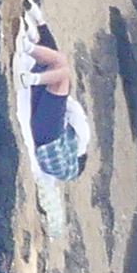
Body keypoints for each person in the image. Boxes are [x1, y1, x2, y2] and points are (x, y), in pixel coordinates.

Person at [26, 19, 89, 182]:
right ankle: (29, 43)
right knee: (60, 68)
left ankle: (33, 36)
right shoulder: (68, 159)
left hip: (49, 137)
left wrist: (62, 98)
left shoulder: (81, 142)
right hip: (45, 137)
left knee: (64, 73)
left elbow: (73, 111)